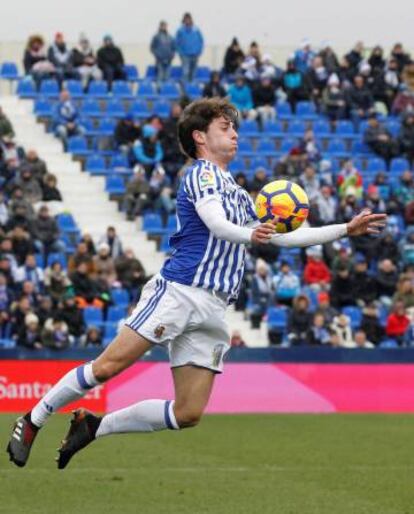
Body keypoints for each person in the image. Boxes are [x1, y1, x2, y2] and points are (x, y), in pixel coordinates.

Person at [6, 97, 386, 469]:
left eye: (234, 127)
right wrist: (249, 235)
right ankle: (33, 419)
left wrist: (344, 230)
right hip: (180, 292)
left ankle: (94, 426)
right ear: (200, 137)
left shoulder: (237, 193)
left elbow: (283, 237)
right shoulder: (200, 175)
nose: (235, 133)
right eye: (226, 127)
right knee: (106, 368)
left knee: (188, 413)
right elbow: (216, 224)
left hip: (215, 308)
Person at [175, 13, 203, 82]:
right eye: (186, 19)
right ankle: (184, 88)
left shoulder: (196, 30)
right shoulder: (180, 30)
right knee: (185, 72)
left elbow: (201, 41)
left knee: (193, 72)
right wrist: (180, 52)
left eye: (189, 19)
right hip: (185, 55)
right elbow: (176, 42)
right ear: (183, 20)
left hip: (195, 54)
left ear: (191, 19)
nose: (187, 20)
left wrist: (199, 51)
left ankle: (191, 88)